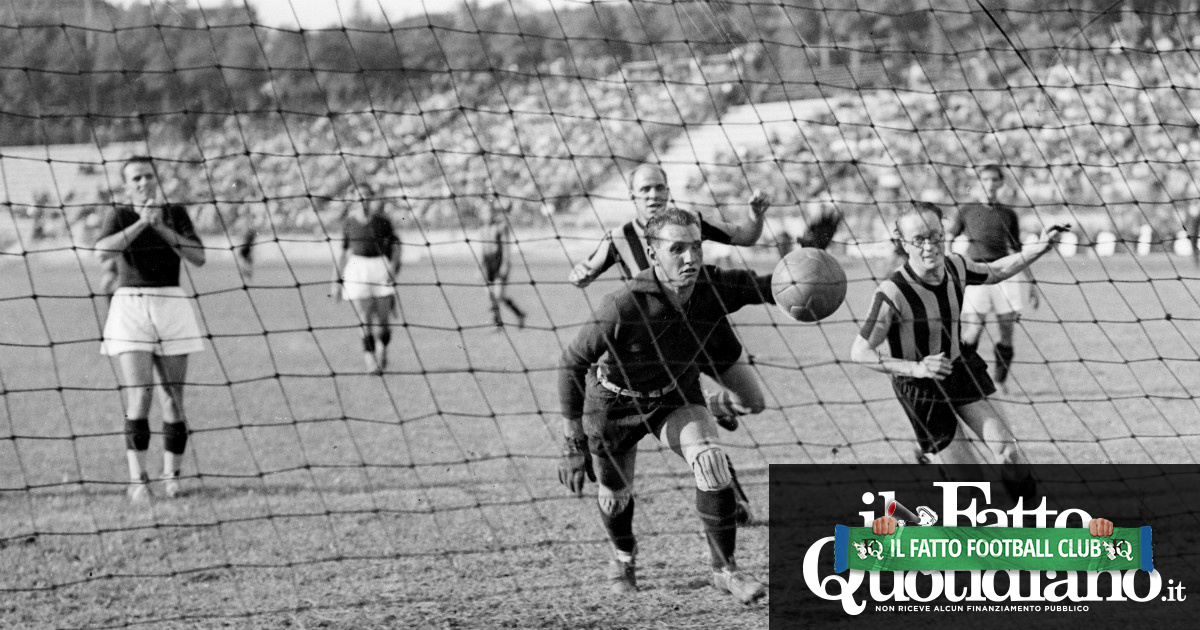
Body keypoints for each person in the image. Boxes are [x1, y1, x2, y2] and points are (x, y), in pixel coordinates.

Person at [558, 208, 772, 603]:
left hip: (673, 398)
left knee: (711, 461)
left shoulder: (711, 286)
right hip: (612, 406)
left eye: (696, 247)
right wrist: (573, 443)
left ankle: (725, 571)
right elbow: (573, 362)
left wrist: (807, 280)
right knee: (614, 496)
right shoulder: (622, 304)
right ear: (653, 254)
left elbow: (768, 286)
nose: (691, 258)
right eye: (677, 249)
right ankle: (623, 558)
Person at [568, 163, 769, 521]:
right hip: (658, 343)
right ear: (632, 195)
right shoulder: (618, 238)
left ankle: (717, 406)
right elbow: (586, 270)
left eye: (659, 187)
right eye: (645, 189)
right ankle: (733, 502)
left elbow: (745, 236)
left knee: (753, 402)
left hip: (707, 328)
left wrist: (755, 216)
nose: (654, 195)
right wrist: (581, 275)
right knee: (698, 435)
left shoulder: (692, 222)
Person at [849, 201, 1069, 501]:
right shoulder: (892, 292)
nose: (930, 246)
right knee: (972, 484)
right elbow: (860, 352)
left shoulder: (956, 266)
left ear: (944, 233)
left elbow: (996, 270)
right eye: (919, 240)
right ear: (903, 242)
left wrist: (1040, 248)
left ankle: (1031, 517)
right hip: (922, 390)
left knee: (1009, 452)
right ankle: (940, 465)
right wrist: (917, 368)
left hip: (961, 369)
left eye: (935, 236)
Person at [95, 156, 207, 502]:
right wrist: (142, 223)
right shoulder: (119, 215)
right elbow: (102, 251)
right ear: (126, 185)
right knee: (140, 395)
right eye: (136, 178)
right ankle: (138, 479)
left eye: (148, 176)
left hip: (171, 304)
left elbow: (199, 257)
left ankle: (172, 477)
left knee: (173, 398)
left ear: (156, 180)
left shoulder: (175, 213)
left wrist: (160, 226)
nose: (144, 182)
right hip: (130, 305)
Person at [947, 165, 1034, 392]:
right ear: (979, 182)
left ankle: (999, 381)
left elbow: (1017, 250)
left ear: (1001, 183)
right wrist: (950, 265)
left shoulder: (1008, 214)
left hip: (1004, 274)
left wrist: (1031, 282)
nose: (990, 184)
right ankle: (963, 379)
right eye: (985, 179)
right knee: (974, 329)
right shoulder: (967, 210)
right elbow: (949, 237)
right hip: (976, 274)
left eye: (994, 179)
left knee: (1007, 329)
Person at [331, 182, 401, 375]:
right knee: (364, 318)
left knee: (383, 320)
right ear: (353, 198)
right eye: (359, 195)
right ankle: (370, 360)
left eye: (366, 195)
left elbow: (396, 247)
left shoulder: (382, 222)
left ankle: (382, 349)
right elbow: (341, 254)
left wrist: (392, 268)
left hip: (380, 268)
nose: (363, 199)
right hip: (357, 269)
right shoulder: (348, 223)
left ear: (372, 198)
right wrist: (336, 282)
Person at [480, 187, 526, 330]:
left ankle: (519, 314)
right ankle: (497, 322)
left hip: (499, 262)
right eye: (484, 212)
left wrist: (505, 263)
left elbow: (506, 247)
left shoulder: (501, 227)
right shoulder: (482, 229)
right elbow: (483, 249)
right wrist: (481, 265)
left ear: (493, 213)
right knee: (490, 294)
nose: (487, 214)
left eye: (489, 212)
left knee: (498, 295)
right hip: (488, 263)